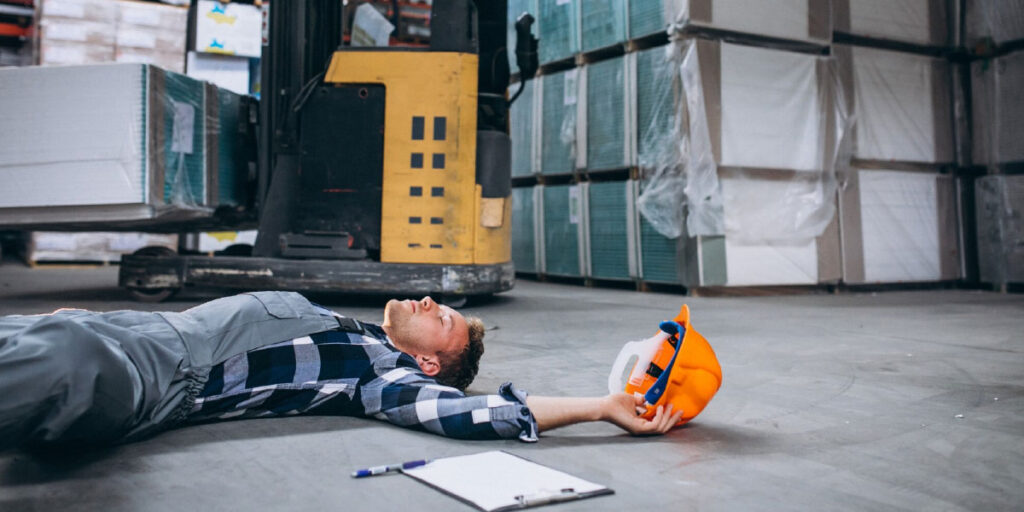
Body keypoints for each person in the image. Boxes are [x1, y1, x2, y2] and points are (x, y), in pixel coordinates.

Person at [0, 291, 683, 451]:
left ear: (426, 361)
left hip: (151, 375)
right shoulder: (346, 325)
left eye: (440, 317)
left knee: (67, 359)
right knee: (52, 338)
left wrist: (601, 404)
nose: (426, 301)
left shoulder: (379, 373)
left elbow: (470, 412)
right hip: (122, 331)